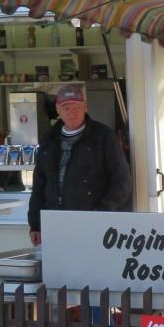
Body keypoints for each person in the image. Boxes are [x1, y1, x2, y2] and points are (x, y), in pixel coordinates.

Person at [27, 84, 132, 245]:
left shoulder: (104, 136)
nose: (72, 112)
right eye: (66, 108)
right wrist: (35, 224)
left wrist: (101, 212)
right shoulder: (49, 139)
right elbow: (39, 184)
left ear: (85, 107)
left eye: (76, 107)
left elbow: (122, 182)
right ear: (58, 110)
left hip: (95, 224)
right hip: (54, 222)